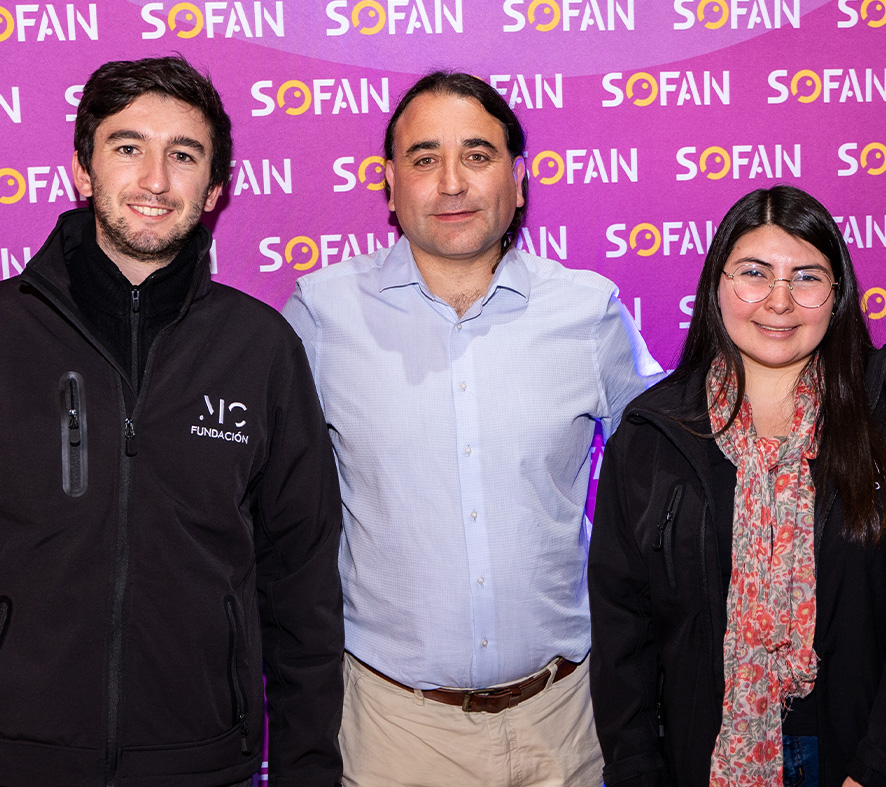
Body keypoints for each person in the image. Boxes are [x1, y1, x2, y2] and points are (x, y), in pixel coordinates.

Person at [283, 70, 662, 787]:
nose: (451, 182)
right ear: (389, 183)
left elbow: (676, 469)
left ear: (519, 180)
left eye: (478, 155)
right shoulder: (320, 314)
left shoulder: (589, 312)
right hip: (395, 729)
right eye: (425, 158)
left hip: (567, 719)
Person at [0, 56, 344, 787]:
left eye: (182, 156)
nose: (155, 180)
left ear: (214, 188)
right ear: (82, 170)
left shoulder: (261, 348)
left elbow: (302, 587)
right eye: (128, 148)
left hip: (201, 761)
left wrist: (306, 769)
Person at [588, 185, 886, 787]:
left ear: (837, 294)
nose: (779, 302)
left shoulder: (879, 411)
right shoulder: (654, 434)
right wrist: (637, 770)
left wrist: (873, 767)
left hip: (858, 751)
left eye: (806, 277)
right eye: (754, 273)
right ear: (717, 285)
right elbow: (625, 634)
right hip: (705, 756)